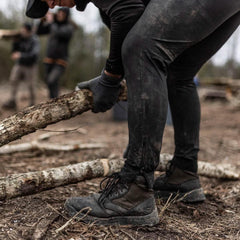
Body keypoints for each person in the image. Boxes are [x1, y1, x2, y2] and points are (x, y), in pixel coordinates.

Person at [26, 0, 240, 226]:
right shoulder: (105, 10)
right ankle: (183, 173)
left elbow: (129, 18)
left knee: (142, 49)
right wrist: (112, 78)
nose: (49, 5)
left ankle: (134, 191)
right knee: (178, 73)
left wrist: (110, 78)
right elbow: (131, 20)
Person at [36, 7, 74, 98]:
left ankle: (55, 99)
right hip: (49, 59)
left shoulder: (69, 27)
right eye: (59, 13)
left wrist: (51, 22)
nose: (60, 15)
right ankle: (53, 100)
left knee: (52, 80)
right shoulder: (52, 25)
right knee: (50, 82)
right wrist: (42, 20)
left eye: (63, 14)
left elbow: (58, 33)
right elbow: (38, 32)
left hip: (60, 61)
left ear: (66, 16)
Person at [2, 23, 39, 110]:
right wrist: (15, 42)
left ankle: (32, 104)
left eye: (24, 31)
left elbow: (34, 54)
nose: (22, 32)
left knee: (31, 85)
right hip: (19, 64)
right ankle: (12, 101)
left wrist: (21, 55)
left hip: (30, 66)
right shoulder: (19, 38)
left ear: (28, 32)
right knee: (13, 80)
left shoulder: (34, 40)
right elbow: (14, 51)